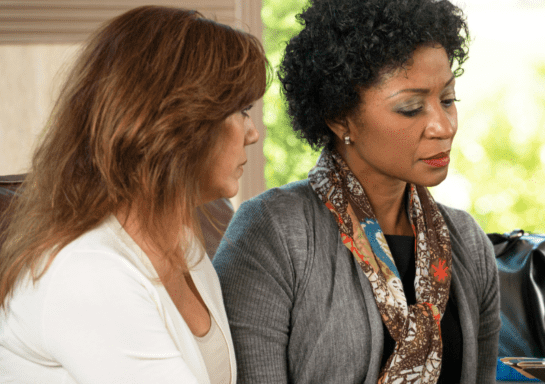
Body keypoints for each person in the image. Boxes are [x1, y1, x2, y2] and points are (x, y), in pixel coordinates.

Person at [212, 0, 499, 383]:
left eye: (447, 100)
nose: (443, 126)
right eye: (412, 107)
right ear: (339, 116)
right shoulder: (272, 234)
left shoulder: (468, 244)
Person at [0, 6, 267, 384]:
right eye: (241, 110)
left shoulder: (183, 242)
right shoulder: (88, 272)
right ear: (179, 123)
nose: (253, 133)